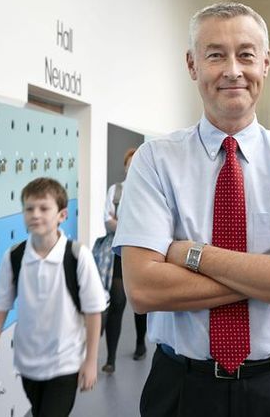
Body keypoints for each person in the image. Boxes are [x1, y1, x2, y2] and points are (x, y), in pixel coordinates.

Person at [113, 2, 270, 417]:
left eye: (246, 54)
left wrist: (190, 255)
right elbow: (144, 290)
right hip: (182, 388)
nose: (233, 69)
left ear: (266, 64)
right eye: (215, 54)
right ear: (192, 65)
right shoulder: (155, 161)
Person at [0, 178, 107, 417]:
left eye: (44, 208)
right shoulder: (15, 256)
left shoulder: (78, 256)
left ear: (62, 215)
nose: (35, 214)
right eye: (29, 208)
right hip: (28, 363)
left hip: (65, 363)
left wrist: (90, 361)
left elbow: (93, 311)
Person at [101, 148, 148, 374]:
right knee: (117, 302)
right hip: (119, 253)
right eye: (129, 164)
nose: (132, 168)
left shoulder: (149, 191)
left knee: (141, 303)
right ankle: (110, 358)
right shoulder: (116, 190)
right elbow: (107, 221)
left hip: (144, 253)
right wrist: (133, 226)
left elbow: (152, 226)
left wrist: (122, 223)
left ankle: (140, 342)